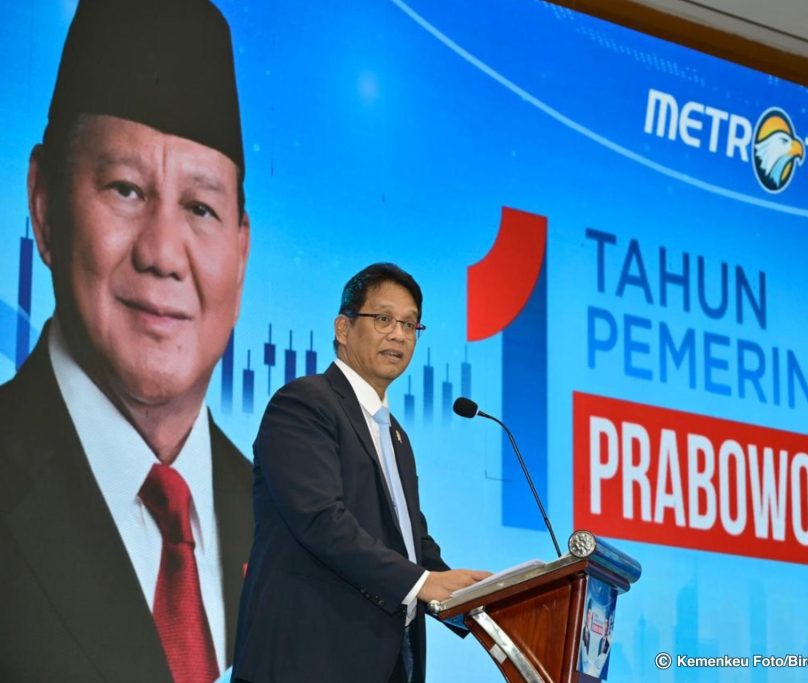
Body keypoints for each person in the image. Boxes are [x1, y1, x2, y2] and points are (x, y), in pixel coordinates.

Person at [0, 1, 253, 681]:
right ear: (44, 204)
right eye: (125, 189)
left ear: (241, 252)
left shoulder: (285, 522)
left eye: (200, 207)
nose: (162, 253)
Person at [233, 263, 489, 683]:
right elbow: (320, 520)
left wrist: (479, 602)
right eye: (384, 319)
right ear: (343, 328)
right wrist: (420, 582)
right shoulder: (305, 403)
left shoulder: (396, 437)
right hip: (307, 660)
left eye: (410, 325)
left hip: (388, 663)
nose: (399, 335)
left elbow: (412, 543)